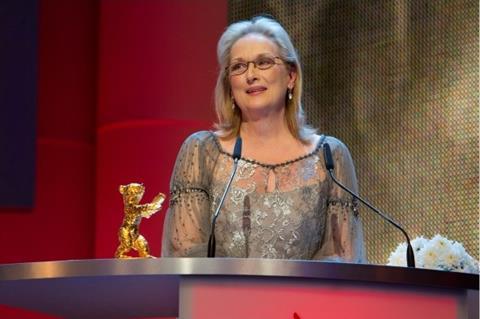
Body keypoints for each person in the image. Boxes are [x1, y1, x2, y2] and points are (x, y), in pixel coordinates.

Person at [161, 16, 366, 262]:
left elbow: (341, 258)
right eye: (238, 67)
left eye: (263, 62)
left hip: (305, 301)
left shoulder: (330, 157)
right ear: (229, 86)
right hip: (218, 299)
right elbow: (187, 251)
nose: (251, 75)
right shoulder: (202, 152)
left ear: (291, 76)